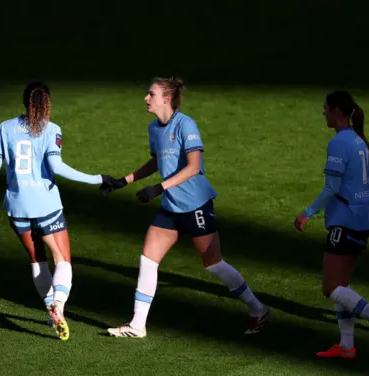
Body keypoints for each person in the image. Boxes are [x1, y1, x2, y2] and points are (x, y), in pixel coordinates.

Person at [100, 76, 269, 338]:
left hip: (195, 205)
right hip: (171, 207)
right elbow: (157, 161)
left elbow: (193, 166)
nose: (146, 98)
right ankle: (137, 325)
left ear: (166, 99)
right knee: (148, 259)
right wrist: (125, 180)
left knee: (213, 264)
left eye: (151, 94)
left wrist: (158, 188)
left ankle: (258, 309)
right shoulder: (154, 129)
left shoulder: (186, 125)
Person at [0, 81, 106, 341]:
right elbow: (57, 166)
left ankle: (49, 304)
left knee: (37, 259)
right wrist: (98, 179)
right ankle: (58, 305)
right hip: (46, 206)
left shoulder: (5, 128)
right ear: (48, 104)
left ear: (24, 102)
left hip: (18, 209)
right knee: (62, 259)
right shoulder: (52, 130)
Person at [294, 90, 369, 359]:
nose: (323, 112)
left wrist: (307, 213)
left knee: (331, 288)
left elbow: (332, 187)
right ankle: (346, 345)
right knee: (342, 286)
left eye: (325, 108)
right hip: (361, 221)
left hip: (345, 221)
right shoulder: (359, 141)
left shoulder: (340, 143)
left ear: (337, 112)